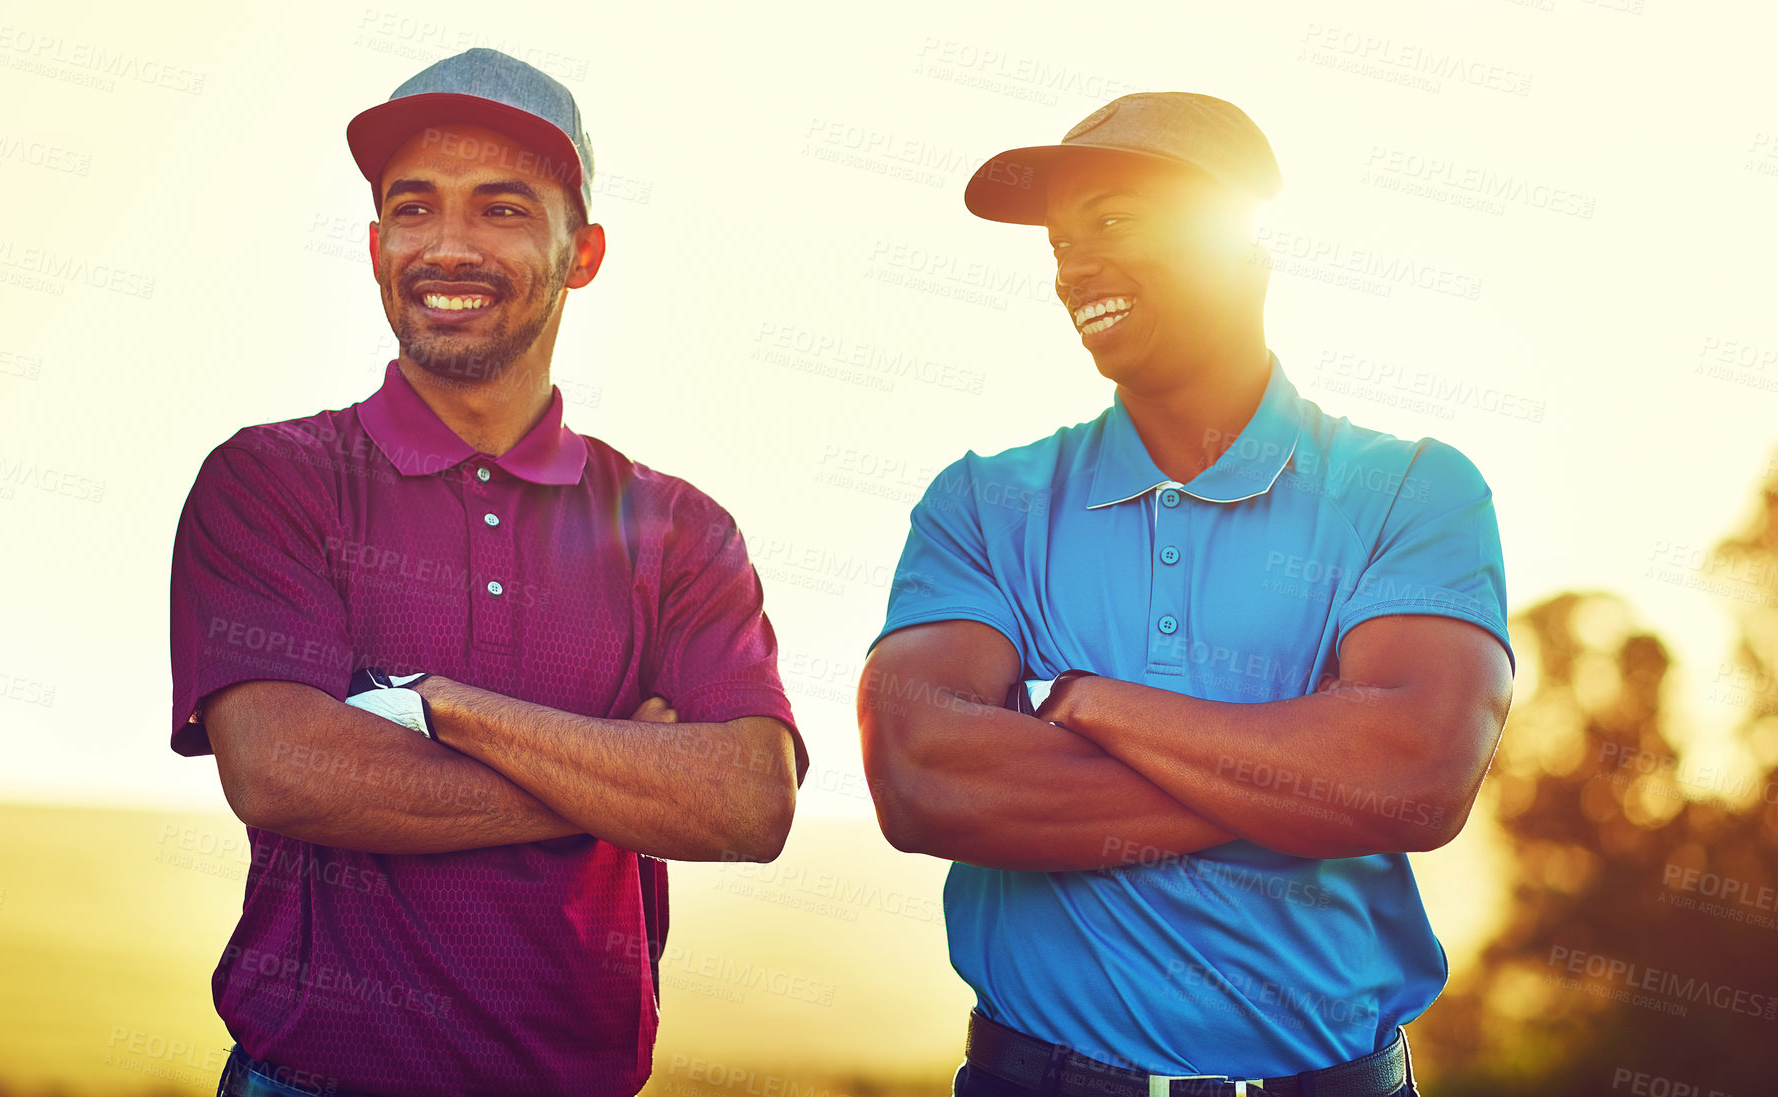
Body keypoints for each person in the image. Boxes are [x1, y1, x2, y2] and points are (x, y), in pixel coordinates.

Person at [168, 47, 806, 1097]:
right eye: (414, 210)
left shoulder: (679, 529)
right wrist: (622, 782)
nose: (447, 246)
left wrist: (439, 705)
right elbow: (283, 770)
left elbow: (745, 803)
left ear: (583, 250)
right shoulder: (270, 482)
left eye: (502, 209)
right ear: (375, 247)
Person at [859, 92, 1514, 1097]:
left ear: (1238, 243)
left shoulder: (1411, 488)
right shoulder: (984, 501)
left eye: (1110, 222)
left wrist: (1090, 704)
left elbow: (1414, 775)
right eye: (1059, 244)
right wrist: (1300, 772)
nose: (1073, 267)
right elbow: (920, 777)